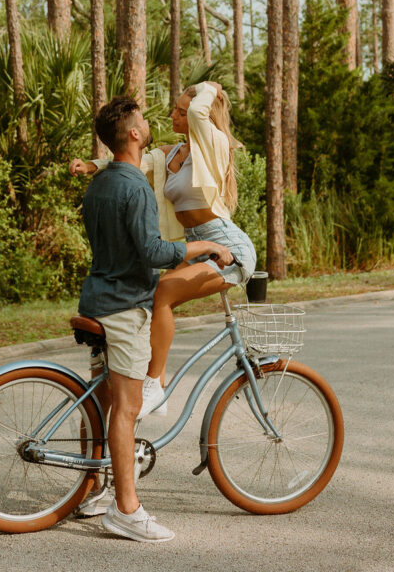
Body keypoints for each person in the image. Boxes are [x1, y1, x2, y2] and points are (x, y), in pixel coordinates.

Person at [77, 94, 233, 542]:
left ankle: (98, 489)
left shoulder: (100, 186)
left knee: (103, 404)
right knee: (125, 411)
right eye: (142, 120)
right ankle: (127, 509)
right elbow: (155, 252)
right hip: (124, 308)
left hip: (96, 299)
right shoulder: (135, 188)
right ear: (132, 133)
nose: (148, 124)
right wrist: (205, 247)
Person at [70, 81, 257, 420]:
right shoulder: (171, 153)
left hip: (227, 248)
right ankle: (149, 383)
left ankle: (154, 384)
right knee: (154, 294)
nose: (173, 115)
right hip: (196, 246)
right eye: (174, 108)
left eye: (182, 112)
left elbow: (202, 110)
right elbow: (129, 162)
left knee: (162, 293)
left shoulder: (213, 145)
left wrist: (207, 87)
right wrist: (91, 166)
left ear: (200, 115)